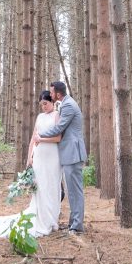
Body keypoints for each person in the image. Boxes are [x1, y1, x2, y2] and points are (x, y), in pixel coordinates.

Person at [0, 91, 63, 238]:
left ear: (52, 102)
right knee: (40, 188)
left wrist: (43, 140)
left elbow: (58, 138)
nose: (43, 107)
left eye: (45, 104)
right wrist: (29, 158)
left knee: (52, 187)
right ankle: (42, 219)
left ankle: (52, 220)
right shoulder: (40, 117)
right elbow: (34, 139)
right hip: (39, 157)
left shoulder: (57, 115)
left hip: (53, 158)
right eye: (41, 105)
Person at [36, 80, 86, 233]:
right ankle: (73, 223)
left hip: (73, 153)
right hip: (69, 153)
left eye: (51, 92)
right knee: (72, 191)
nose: (50, 95)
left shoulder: (69, 105)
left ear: (58, 94)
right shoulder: (65, 104)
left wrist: (41, 134)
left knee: (75, 191)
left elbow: (59, 128)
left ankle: (77, 227)